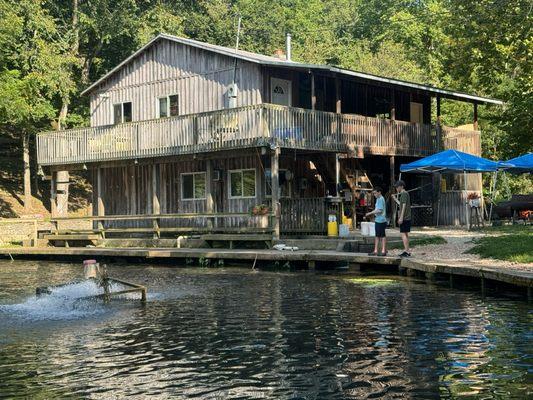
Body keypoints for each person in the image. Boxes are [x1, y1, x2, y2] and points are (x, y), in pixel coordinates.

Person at [365, 187, 387, 256]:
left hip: (381, 220)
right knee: (377, 236)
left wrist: (370, 213)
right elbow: (377, 209)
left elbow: (379, 210)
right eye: (373, 193)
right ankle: (376, 250)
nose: (374, 194)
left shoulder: (381, 199)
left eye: (375, 193)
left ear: (379, 192)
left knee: (382, 235)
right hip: (378, 220)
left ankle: (383, 251)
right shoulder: (378, 199)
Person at [394, 180, 412, 257]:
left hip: (405, 217)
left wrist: (401, 217)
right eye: (396, 188)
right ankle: (407, 250)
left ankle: (406, 251)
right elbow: (401, 204)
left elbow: (404, 206)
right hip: (407, 217)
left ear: (401, 186)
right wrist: (395, 199)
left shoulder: (404, 194)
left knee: (403, 234)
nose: (396, 189)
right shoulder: (405, 194)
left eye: (397, 187)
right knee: (406, 234)